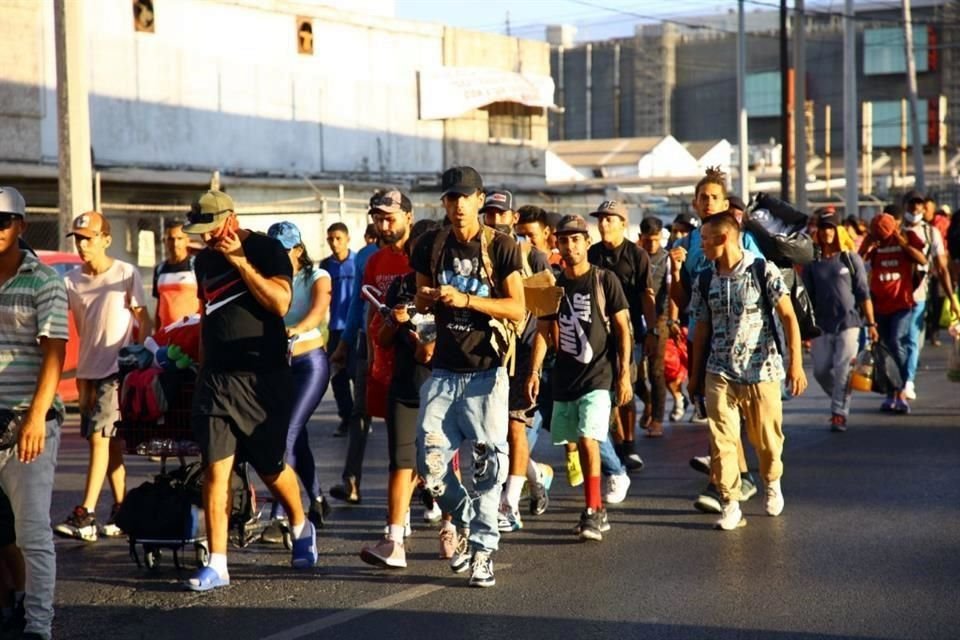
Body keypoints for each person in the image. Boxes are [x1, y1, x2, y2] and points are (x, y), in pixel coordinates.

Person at [182, 190, 317, 592]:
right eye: (201, 231)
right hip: (216, 380)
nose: (207, 238)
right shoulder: (203, 260)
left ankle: (300, 523)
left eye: (212, 229)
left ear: (232, 218)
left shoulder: (266, 248)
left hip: (263, 379)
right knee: (214, 471)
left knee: (271, 466)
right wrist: (201, 369)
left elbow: (279, 303)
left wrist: (240, 262)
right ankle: (219, 564)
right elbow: (208, 315)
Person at [411, 166, 525, 588]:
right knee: (430, 464)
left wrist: (468, 300)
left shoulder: (502, 246)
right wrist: (425, 299)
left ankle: (482, 552)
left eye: (466, 197)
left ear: (480, 200)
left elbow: (517, 308)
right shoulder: (430, 245)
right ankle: (467, 521)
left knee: (488, 469)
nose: (458, 205)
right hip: (443, 370)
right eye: (451, 198)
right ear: (444, 202)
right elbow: (422, 304)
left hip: (486, 373)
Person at [689, 213, 807, 531]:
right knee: (721, 440)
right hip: (719, 372)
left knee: (767, 441)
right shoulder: (704, 278)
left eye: (705, 239)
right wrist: (694, 373)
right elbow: (700, 329)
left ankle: (771, 482)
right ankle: (730, 503)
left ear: (724, 238)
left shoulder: (761, 270)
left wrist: (795, 363)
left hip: (762, 371)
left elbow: (788, 317)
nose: (701, 246)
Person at [527, 215, 632, 541]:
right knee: (575, 443)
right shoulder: (551, 286)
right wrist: (534, 370)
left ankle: (593, 510)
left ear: (587, 243)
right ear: (556, 244)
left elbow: (622, 328)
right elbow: (543, 333)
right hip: (565, 378)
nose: (570, 246)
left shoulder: (605, 279)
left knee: (588, 439)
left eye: (576, 239)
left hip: (599, 376)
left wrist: (625, 372)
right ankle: (595, 506)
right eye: (564, 240)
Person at [669, 168, 766, 514]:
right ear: (695, 204)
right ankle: (734, 478)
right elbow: (682, 301)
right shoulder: (686, 243)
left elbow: (761, 285)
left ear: (726, 203)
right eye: (703, 197)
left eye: (714, 197)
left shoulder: (745, 238)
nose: (708, 202)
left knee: (739, 419)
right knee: (716, 412)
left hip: (743, 339)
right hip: (702, 335)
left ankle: (730, 479)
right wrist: (676, 271)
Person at [55, 211, 151, 542]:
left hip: (116, 370)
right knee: (110, 448)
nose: (83, 245)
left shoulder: (125, 273)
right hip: (87, 373)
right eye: (78, 239)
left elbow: (144, 318)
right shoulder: (71, 281)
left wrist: (139, 357)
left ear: (105, 240)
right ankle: (122, 511)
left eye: (89, 238)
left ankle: (86, 514)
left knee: (99, 438)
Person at [0, 187, 68, 640]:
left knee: (31, 534)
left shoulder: (43, 280)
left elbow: (54, 353)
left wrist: (36, 418)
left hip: (27, 419)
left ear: (20, 227)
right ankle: (10, 606)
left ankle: (38, 625)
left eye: (2, 222)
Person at [359, 217, 438, 569]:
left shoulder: (448, 289)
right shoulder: (402, 286)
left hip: (440, 389)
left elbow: (429, 352)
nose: (418, 255)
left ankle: (453, 527)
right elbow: (383, 338)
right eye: (414, 249)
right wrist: (394, 320)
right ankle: (394, 539)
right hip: (404, 385)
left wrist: (417, 330)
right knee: (400, 461)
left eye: (426, 249)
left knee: (439, 465)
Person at [481, 191, 555, 532]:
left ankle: (509, 504)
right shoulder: (478, 255)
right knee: (491, 434)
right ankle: (536, 475)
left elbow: (547, 316)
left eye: (501, 214)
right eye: (489, 214)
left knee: (514, 428)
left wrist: (536, 367)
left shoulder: (533, 257)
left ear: (513, 218)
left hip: (524, 354)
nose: (494, 220)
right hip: (489, 353)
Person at [259, 221, 333, 543]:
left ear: (299, 250)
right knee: (296, 435)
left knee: (285, 432)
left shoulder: (316, 276)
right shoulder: (270, 281)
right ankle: (316, 497)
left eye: (284, 251)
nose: (278, 257)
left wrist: (294, 329)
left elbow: (317, 313)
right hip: (278, 366)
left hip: (309, 364)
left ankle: (281, 517)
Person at [587, 200, 655, 504]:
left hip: (630, 330)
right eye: (601, 220)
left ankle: (629, 444)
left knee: (625, 385)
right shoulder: (594, 254)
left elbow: (647, 294)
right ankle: (611, 443)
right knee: (604, 391)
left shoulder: (636, 255)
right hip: (598, 333)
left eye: (609, 220)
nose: (603, 225)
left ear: (622, 224)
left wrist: (652, 330)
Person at [516, 206, 582, 488]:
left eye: (529, 236)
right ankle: (520, 474)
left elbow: (552, 313)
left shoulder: (552, 262)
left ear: (546, 234)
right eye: (521, 236)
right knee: (528, 419)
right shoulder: (517, 258)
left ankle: (581, 456)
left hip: (557, 352)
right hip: (530, 351)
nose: (524, 242)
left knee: (562, 414)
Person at [803, 210, 878, 432]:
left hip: (849, 323)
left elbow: (863, 294)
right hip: (822, 325)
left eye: (831, 228)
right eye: (823, 228)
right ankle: (841, 395)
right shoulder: (812, 262)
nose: (827, 232)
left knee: (843, 368)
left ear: (838, 231)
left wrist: (872, 324)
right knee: (821, 370)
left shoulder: (850, 258)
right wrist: (805, 329)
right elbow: (806, 297)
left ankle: (838, 413)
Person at [858, 207, 927, 414]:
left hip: (902, 304)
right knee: (884, 348)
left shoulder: (906, 239)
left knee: (897, 342)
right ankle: (891, 392)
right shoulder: (875, 247)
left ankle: (903, 387)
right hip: (880, 305)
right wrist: (868, 243)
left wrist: (901, 241)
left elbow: (922, 260)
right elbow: (857, 266)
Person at [901, 195, 959, 400]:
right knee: (895, 340)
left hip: (918, 294)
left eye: (919, 210)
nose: (915, 213)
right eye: (911, 209)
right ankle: (896, 382)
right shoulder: (895, 231)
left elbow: (942, 268)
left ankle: (907, 381)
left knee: (912, 339)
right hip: (892, 296)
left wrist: (951, 298)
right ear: (904, 208)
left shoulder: (930, 232)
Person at [637, 216, 678, 437]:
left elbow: (672, 291)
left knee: (657, 371)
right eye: (647, 240)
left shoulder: (667, 259)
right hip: (637, 317)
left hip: (659, 318)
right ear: (640, 238)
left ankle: (658, 420)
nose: (651, 245)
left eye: (655, 240)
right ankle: (648, 402)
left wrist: (672, 319)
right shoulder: (635, 256)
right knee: (635, 373)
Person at [319, 222, 356, 436]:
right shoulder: (325, 266)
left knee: (356, 374)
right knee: (337, 377)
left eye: (338, 238)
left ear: (347, 239)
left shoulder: (358, 261)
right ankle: (346, 418)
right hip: (334, 329)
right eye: (330, 239)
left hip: (355, 329)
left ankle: (361, 417)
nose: (334, 243)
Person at [152, 219, 199, 330]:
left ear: (187, 240)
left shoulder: (197, 265)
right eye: (170, 239)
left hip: (190, 333)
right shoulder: (159, 269)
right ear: (165, 241)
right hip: (166, 334)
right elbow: (159, 305)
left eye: (179, 238)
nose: (175, 243)